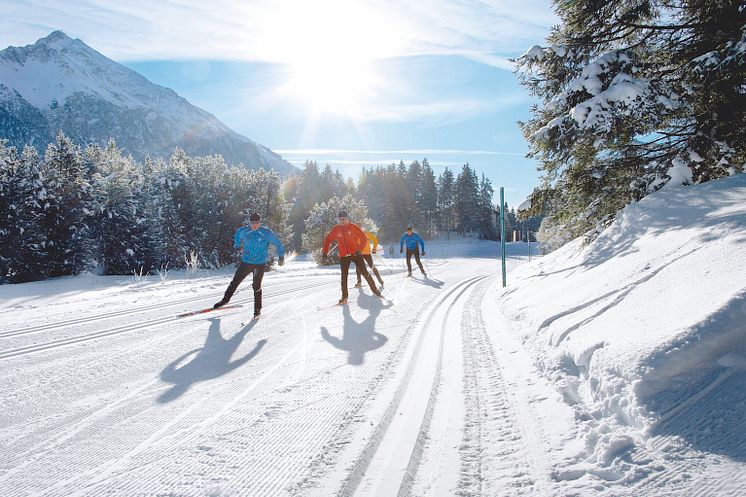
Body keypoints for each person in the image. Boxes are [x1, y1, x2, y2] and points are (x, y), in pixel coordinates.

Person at [214, 212, 285, 318]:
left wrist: (281, 257)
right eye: (252, 223)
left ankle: (257, 310)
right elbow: (237, 235)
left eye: (256, 223)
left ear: (260, 223)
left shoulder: (266, 233)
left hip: (259, 264)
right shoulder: (244, 231)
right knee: (235, 282)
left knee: (256, 286)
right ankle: (225, 300)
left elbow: (278, 243)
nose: (254, 225)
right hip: (246, 262)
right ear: (250, 222)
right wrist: (237, 245)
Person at [322, 210, 382, 304]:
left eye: (344, 219)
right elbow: (328, 239)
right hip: (344, 256)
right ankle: (344, 297)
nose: (342, 221)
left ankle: (375, 290)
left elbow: (363, 238)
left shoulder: (353, 227)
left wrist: (360, 249)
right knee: (344, 277)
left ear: (347, 218)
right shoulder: (336, 229)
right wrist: (325, 252)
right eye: (340, 219)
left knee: (365, 273)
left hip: (356, 254)